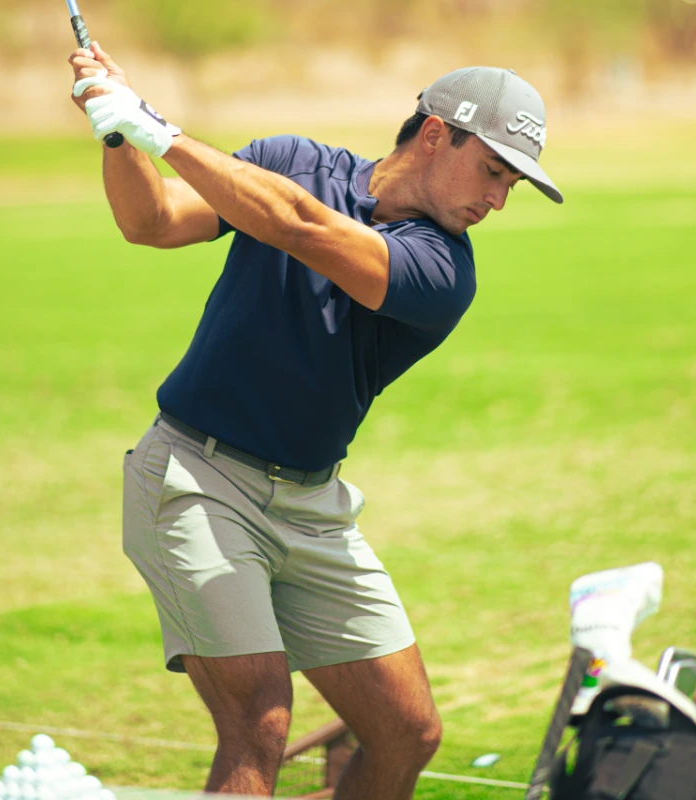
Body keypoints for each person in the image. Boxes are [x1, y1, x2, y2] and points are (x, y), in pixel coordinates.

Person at [67, 43, 563, 798]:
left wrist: (155, 129)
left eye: (513, 184)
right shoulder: (290, 159)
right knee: (259, 718)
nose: (497, 200)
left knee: (409, 731)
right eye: (493, 170)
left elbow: (301, 228)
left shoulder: (443, 268)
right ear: (435, 134)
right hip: (195, 481)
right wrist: (115, 131)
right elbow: (154, 219)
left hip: (313, 508)